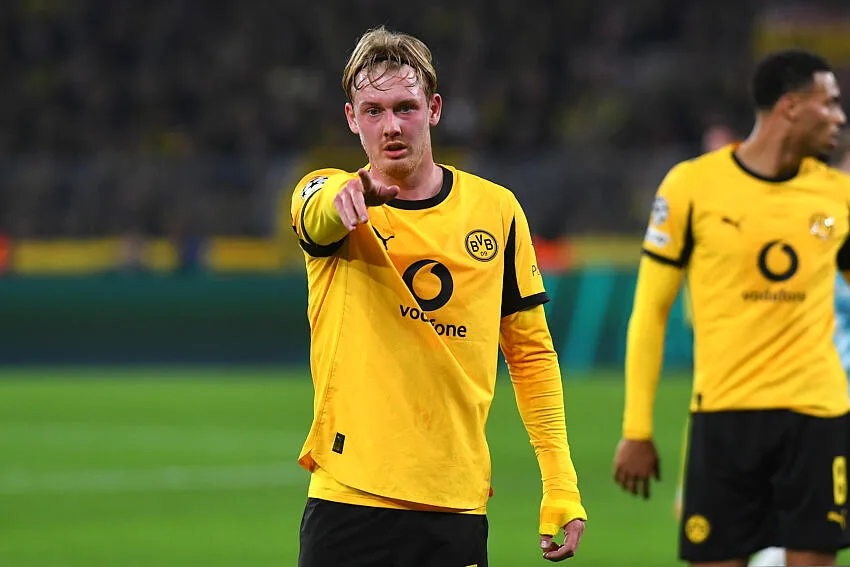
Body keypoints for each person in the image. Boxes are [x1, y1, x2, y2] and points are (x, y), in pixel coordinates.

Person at [290, 26, 587, 567]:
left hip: (455, 506)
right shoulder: (336, 199)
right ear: (352, 118)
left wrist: (560, 483)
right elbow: (316, 210)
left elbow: (531, 356)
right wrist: (344, 196)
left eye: (405, 107)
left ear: (434, 109)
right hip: (348, 503)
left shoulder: (496, 211)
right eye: (374, 111)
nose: (391, 126)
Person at [613, 48, 850, 567]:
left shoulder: (839, 195)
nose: (839, 117)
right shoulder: (692, 187)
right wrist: (637, 428)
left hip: (818, 417)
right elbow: (650, 311)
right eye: (829, 103)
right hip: (724, 417)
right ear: (790, 106)